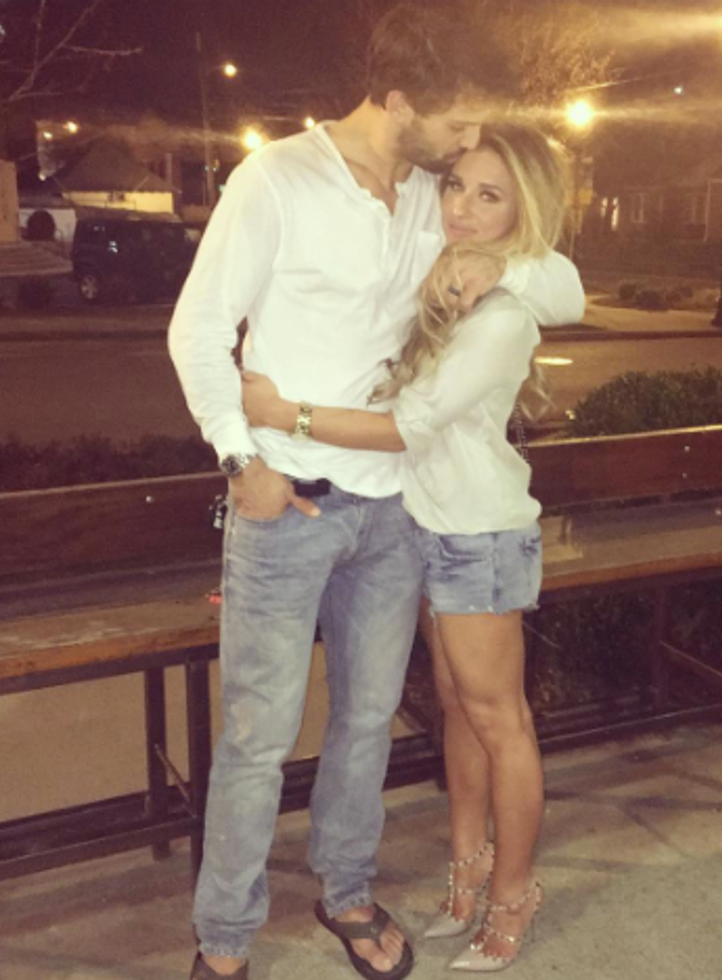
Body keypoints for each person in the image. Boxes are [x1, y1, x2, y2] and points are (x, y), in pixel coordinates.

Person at [168, 5, 585, 978]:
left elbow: (562, 286)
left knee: (366, 722)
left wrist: (492, 260)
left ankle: (346, 889)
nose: (467, 143)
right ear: (401, 102)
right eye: (456, 122)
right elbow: (197, 331)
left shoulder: (433, 198)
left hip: (394, 510)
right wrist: (242, 460)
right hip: (286, 504)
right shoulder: (277, 178)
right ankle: (224, 939)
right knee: (257, 736)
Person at [242, 119, 568, 973]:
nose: (460, 207)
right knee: (457, 707)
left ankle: (512, 896)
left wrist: (284, 416)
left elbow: (406, 427)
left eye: (490, 196)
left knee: (502, 721)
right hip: (429, 527)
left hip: (478, 536)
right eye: (457, 185)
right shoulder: (452, 275)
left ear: (522, 210)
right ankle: (467, 871)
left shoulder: (503, 313)